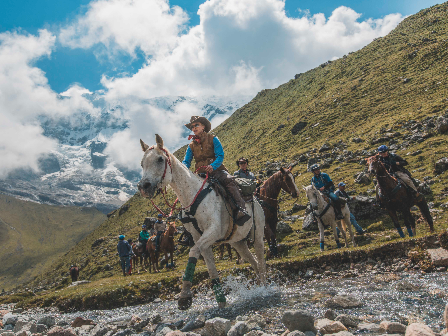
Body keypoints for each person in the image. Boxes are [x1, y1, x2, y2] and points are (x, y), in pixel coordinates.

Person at [182, 116, 250, 225]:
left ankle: (240, 209)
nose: (194, 128)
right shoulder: (191, 146)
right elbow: (186, 161)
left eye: (196, 125)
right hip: (201, 174)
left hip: (217, 171)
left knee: (229, 181)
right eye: (192, 127)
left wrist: (213, 165)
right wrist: (183, 168)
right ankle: (188, 220)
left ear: (203, 126)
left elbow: (220, 156)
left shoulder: (213, 139)